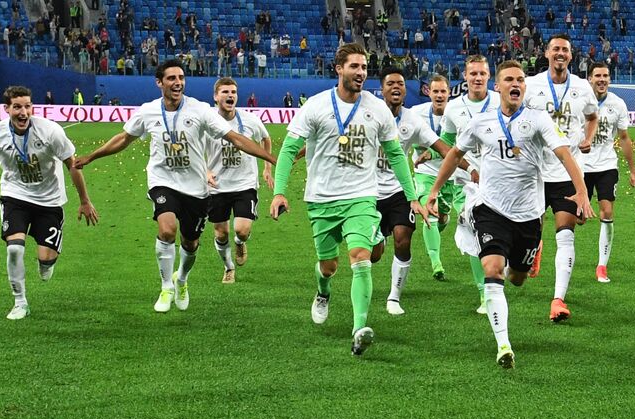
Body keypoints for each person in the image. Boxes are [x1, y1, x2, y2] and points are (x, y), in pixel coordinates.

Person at [426, 60, 594, 367]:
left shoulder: (539, 120)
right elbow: (453, 154)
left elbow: (564, 154)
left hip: (529, 214)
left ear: (524, 87)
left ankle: (534, 249)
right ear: (498, 87)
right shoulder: (481, 123)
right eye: (509, 80)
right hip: (491, 209)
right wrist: (435, 191)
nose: (515, 84)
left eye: (520, 80)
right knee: (492, 268)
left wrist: (581, 191)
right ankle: (503, 344)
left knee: (517, 278)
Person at [267, 44, 429, 357]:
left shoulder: (376, 108)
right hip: (322, 200)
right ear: (339, 68)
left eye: (364, 67)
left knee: (361, 257)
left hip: (361, 197)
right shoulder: (315, 106)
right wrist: (279, 191)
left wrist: (412, 198)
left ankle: (359, 330)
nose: (360, 72)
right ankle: (323, 291)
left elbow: (396, 154)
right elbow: (288, 150)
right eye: (354, 66)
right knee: (328, 267)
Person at [75, 60, 274, 313]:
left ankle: (181, 280)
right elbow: (124, 138)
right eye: (171, 78)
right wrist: (92, 157)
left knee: (190, 244)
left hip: (195, 187)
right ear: (159, 82)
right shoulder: (148, 111)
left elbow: (235, 137)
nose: (178, 82)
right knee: (167, 229)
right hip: (163, 181)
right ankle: (166, 286)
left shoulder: (200, 110)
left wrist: (271, 159)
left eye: (181, 77)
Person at [0, 85, 100, 320]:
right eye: (17, 107)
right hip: (15, 196)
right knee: (14, 248)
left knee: (46, 262)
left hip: (49, 200)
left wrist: (84, 200)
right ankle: (20, 302)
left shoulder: (50, 131)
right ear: (7, 109)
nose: (23, 112)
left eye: (27, 106)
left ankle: (46, 263)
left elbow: (73, 165)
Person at [375, 67, 471, 315]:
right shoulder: (369, 115)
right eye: (390, 84)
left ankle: (394, 297)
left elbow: (443, 147)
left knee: (403, 238)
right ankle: (379, 238)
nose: (396, 87)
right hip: (368, 190)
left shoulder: (412, 119)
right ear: (382, 89)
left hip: (400, 189)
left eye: (401, 84)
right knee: (373, 254)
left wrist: (471, 169)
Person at [524, 34, 598, 323]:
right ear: (546, 53)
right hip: (535, 173)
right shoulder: (531, 85)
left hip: (569, 173)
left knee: (566, 234)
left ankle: (558, 300)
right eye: (555, 48)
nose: (560, 53)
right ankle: (535, 246)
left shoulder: (582, 87)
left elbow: (592, 117)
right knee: (528, 234)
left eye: (565, 50)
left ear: (571, 55)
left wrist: (588, 139)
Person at [440, 55, 502, 314]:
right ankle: (484, 293)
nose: (477, 78)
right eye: (473, 73)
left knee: (499, 235)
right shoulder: (454, 108)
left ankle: (499, 272)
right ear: (465, 77)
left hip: (500, 181)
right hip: (465, 183)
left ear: (489, 77)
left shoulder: (500, 102)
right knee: (475, 235)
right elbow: (446, 143)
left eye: (482, 74)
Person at [205, 77, 272, 284]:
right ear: (216, 97)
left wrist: (267, 167)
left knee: (242, 230)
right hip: (217, 186)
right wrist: (205, 170)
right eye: (225, 92)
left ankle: (240, 242)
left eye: (233, 92)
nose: (230, 95)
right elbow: (194, 148)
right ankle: (228, 268)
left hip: (245, 184)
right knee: (220, 233)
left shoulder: (250, 119)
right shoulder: (206, 122)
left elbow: (266, 138)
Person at [580, 61, 635, 283]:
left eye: (605, 75)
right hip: (581, 166)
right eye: (598, 76)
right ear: (590, 79)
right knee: (577, 218)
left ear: (609, 79)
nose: (602, 79)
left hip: (606, 166)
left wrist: (632, 170)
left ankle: (602, 265)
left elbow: (623, 137)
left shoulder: (618, 104)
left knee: (606, 212)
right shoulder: (580, 100)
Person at [410, 74, 461, 282]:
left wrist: (432, 150)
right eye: (435, 91)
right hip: (426, 173)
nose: (439, 95)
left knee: (443, 217)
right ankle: (436, 262)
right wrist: (422, 149)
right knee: (430, 213)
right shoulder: (416, 113)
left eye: (443, 91)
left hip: (452, 174)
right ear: (428, 92)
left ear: (449, 93)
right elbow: (411, 138)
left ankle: (438, 228)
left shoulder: (458, 114)